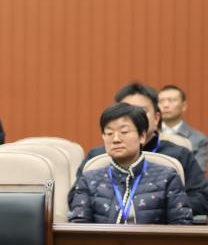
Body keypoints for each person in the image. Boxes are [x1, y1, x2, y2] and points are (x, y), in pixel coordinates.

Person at [76, 82, 208, 215]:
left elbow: (202, 198)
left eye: (142, 110)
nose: (133, 116)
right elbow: (76, 198)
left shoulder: (178, 155)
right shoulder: (97, 157)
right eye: (125, 110)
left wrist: (157, 208)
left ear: (156, 118)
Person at [70, 103, 191, 224]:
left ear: (142, 136)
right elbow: (79, 228)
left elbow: (181, 225)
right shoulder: (89, 180)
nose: (116, 139)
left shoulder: (167, 177)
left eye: (124, 132)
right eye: (109, 133)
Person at [158, 84, 208, 170]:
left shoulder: (199, 139)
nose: (165, 105)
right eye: (161, 101)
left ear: (184, 106)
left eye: (172, 100)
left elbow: (197, 172)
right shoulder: (149, 134)